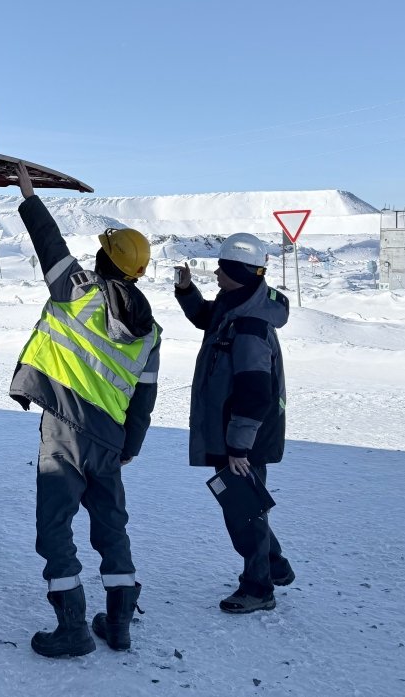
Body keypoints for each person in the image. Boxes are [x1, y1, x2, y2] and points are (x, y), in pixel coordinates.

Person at [10, 162, 161, 657]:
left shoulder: (78, 292)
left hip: (65, 431)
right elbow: (144, 398)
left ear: (103, 258)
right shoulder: (151, 331)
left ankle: (72, 627)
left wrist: (29, 195)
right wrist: (129, 448)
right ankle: (118, 624)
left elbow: (48, 243)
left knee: (55, 528)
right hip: (110, 439)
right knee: (111, 527)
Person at [173, 233, 295, 614]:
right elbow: (206, 320)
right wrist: (187, 291)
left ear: (239, 273)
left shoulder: (249, 326)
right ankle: (273, 565)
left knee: (243, 513)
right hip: (235, 432)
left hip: (243, 436)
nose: (216, 273)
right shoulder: (237, 304)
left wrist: (239, 447)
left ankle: (259, 587)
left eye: (222, 269)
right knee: (246, 506)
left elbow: (255, 391)